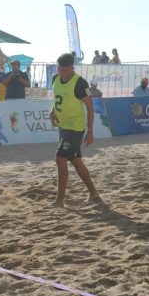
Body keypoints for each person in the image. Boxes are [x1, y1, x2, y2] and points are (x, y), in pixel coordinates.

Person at [50, 52, 100, 208]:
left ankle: (59, 201)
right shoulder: (55, 78)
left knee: (60, 158)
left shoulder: (81, 84)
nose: (61, 73)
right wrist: (52, 111)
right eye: (59, 69)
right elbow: (58, 97)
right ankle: (93, 193)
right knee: (76, 161)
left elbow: (90, 109)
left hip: (75, 128)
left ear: (72, 68)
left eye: (64, 70)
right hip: (63, 127)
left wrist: (90, 131)